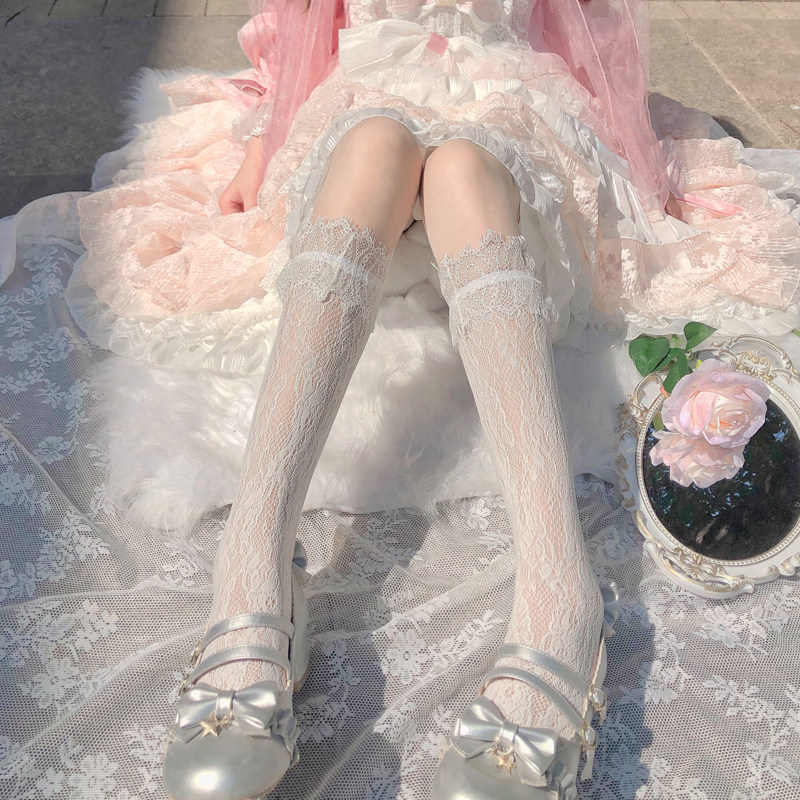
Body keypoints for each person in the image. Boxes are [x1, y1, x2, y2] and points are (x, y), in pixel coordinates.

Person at [5, 0, 787, 799]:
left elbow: (599, 29)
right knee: (373, 140)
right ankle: (253, 560)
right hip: (368, 100)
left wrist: (637, 162)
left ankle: (561, 594)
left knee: (462, 167)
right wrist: (263, 146)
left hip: (510, 102)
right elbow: (301, 26)